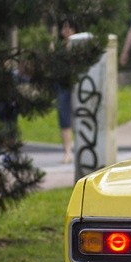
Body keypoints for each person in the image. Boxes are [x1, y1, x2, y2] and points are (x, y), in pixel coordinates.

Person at [57, 20, 76, 163]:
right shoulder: (58, 48)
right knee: (64, 118)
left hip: (78, 86)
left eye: (70, 27)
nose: (67, 30)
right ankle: (67, 151)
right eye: (64, 27)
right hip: (63, 85)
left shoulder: (80, 47)